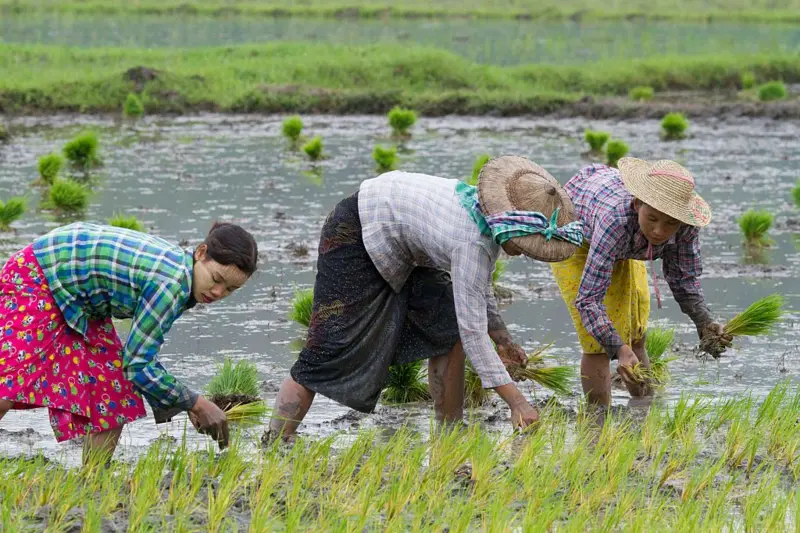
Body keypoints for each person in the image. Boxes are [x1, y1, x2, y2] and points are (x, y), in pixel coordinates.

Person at [267, 155, 584, 442]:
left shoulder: (482, 215)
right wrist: (518, 402)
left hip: (403, 242)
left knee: (447, 329)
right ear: (511, 227)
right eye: (528, 245)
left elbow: (475, 287)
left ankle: (450, 435)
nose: (526, 253)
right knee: (327, 347)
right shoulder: (473, 242)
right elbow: (473, 328)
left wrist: (502, 338)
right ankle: (276, 440)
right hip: (355, 231)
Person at [0, 221, 258, 462]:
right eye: (216, 279)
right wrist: (195, 402)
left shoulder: (183, 277)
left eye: (230, 290)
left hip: (84, 300)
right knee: (12, 377)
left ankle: (94, 480)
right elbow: (138, 364)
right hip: (38, 275)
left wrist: (186, 402)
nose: (217, 292)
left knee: (113, 385)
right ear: (201, 253)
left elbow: (137, 360)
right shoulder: (170, 284)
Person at [550, 157, 731, 406]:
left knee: (636, 333)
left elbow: (683, 278)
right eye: (653, 219)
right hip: (577, 235)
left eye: (670, 223)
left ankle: (644, 410)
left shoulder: (686, 226)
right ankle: (598, 420)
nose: (659, 231)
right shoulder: (615, 220)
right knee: (598, 345)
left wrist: (704, 322)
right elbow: (589, 300)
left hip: (629, 243)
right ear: (637, 205)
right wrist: (619, 350)